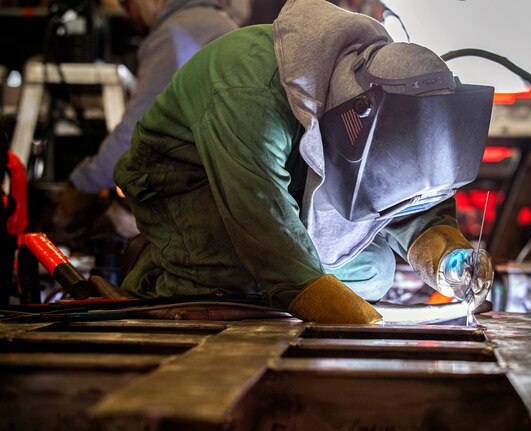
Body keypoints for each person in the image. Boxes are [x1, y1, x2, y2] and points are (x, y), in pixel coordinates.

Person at [114, 0, 495, 324]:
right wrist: (350, 315)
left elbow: (407, 194)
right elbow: (265, 228)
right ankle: (160, 271)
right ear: (352, 117)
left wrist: (448, 257)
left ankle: (246, 277)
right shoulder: (249, 93)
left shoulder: (383, 97)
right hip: (186, 183)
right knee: (246, 276)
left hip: (288, 188)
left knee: (377, 272)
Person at [53, 0, 239, 248]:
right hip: (228, 191)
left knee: (115, 235)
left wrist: (83, 183)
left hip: (206, 203)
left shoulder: (177, 31)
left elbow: (134, 136)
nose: (127, 15)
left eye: (127, 3)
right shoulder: (217, 22)